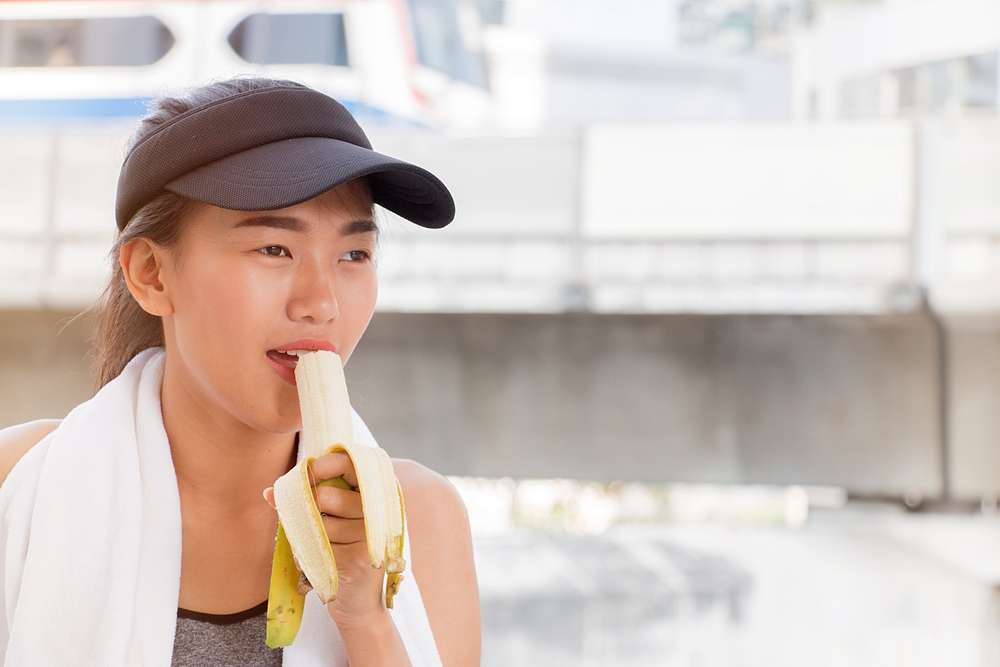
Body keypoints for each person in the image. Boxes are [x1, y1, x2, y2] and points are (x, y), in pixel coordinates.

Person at [0, 77, 480, 666]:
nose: (321, 302)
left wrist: (366, 615)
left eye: (354, 254)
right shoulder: (19, 484)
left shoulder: (419, 519)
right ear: (152, 273)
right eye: (274, 250)